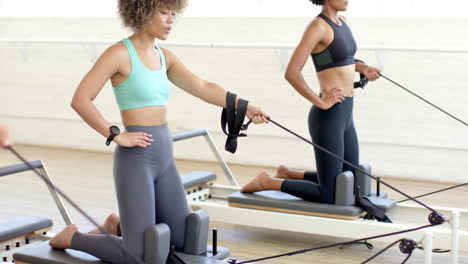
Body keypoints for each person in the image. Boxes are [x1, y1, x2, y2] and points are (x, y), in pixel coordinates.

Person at [48, 0, 269, 263]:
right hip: (136, 160)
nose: (171, 19)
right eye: (164, 12)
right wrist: (115, 134)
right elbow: (81, 99)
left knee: (180, 240)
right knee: (138, 255)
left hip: (164, 156)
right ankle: (73, 238)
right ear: (142, 11)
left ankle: (115, 226)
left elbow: (203, 86)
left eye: (173, 13)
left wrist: (245, 106)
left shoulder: (165, 57)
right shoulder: (119, 53)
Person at [241, 0, 380, 204]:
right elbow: (292, 73)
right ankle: (267, 182)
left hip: (346, 112)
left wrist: (364, 69)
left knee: (351, 180)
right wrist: (321, 102)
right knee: (330, 194)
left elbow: (344, 60)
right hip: (328, 116)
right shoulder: (318, 27)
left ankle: (288, 173)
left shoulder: (343, 22)